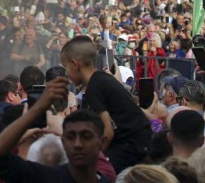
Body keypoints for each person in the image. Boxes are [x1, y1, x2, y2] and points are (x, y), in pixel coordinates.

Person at [0, 77, 111, 183]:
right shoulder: (48, 177)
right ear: (63, 141)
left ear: (102, 142)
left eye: (86, 136)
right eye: (70, 137)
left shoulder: (107, 178)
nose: (77, 144)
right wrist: (35, 111)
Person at [62, 36, 151, 174]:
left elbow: (107, 132)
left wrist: (96, 156)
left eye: (65, 67)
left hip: (132, 145)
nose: (66, 74)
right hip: (140, 141)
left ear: (75, 64)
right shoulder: (103, 78)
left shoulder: (94, 87)